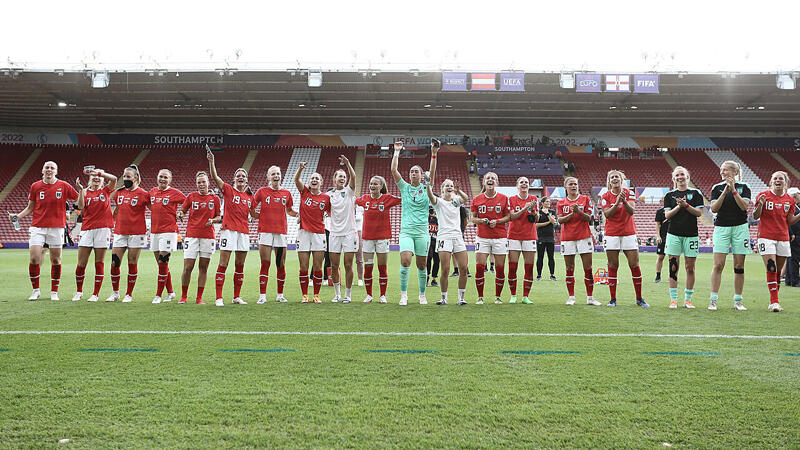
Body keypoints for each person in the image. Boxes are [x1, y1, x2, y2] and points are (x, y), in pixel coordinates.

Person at [8, 161, 79, 301]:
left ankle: (54, 292)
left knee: (56, 260)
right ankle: (36, 290)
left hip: (57, 227)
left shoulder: (64, 186)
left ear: (56, 171)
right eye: (47, 167)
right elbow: (30, 207)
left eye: (52, 168)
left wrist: (75, 205)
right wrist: (17, 216)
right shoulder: (36, 186)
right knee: (34, 258)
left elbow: (79, 201)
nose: (49, 170)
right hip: (38, 227)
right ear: (42, 170)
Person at [207, 148, 253, 306]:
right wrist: (212, 162)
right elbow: (215, 177)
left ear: (247, 180)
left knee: (240, 265)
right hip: (228, 231)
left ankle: (236, 297)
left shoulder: (250, 197)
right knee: (223, 264)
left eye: (243, 176)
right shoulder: (228, 190)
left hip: (244, 233)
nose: (241, 178)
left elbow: (255, 214)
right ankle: (219, 297)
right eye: (238, 176)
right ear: (234, 179)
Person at [391, 140, 432, 305]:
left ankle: (422, 295)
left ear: (422, 175)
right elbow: (394, 170)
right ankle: (404, 295)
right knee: (406, 260)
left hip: (422, 232)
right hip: (406, 231)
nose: (413, 174)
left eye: (416, 172)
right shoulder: (405, 188)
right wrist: (396, 151)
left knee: (422, 265)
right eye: (411, 172)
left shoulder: (427, 190)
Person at [753, 171, 799, 312]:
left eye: (781, 178)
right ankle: (775, 301)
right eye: (775, 178)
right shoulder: (763, 195)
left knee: (778, 271)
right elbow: (755, 216)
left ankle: (773, 300)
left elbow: (789, 221)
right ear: (771, 181)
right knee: (771, 267)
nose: (778, 180)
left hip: (783, 237)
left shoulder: (790, 200)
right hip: (766, 236)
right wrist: (760, 205)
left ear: (785, 182)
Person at [708, 161, 751, 311]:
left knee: (739, 266)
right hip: (722, 228)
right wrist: (724, 192)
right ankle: (713, 300)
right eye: (721, 170)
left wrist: (733, 190)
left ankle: (738, 301)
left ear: (734, 171)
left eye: (725, 170)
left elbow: (744, 206)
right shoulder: (717, 188)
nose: (722, 172)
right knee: (718, 264)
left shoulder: (744, 187)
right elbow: (714, 208)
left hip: (740, 228)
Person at [601, 170, 648, 307]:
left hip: (628, 233)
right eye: (612, 177)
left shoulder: (630, 193)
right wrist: (616, 203)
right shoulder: (605, 196)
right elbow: (607, 214)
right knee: (613, 265)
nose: (615, 179)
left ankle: (639, 298)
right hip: (611, 234)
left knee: (634, 265)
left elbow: (631, 211)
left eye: (617, 177)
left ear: (622, 180)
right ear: (609, 181)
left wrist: (624, 201)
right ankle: (613, 299)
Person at [251, 165, 296, 304]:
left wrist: (298, 215)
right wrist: (259, 216)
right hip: (265, 232)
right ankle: (262, 295)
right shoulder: (262, 191)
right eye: (273, 174)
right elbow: (251, 207)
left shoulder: (286, 193)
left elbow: (289, 210)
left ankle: (280, 295)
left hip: (281, 232)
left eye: (278, 173)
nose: (276, 176)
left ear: (281, 176)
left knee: (280, 264)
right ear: (268, 177)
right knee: (265, 263)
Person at [426, 163, 470, 305]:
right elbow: (430, 196)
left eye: (451, 185)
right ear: (442, 189)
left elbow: (466, 198)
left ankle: (461, 298)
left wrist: (459, 190)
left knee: (463, 268)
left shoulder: (457, 200)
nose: (450, 187)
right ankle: (444, 298)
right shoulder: (438, 202)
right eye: (447, 186)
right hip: (444, 237)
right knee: (445, 269)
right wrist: (427, 185)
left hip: (457, 237)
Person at [72, 167, 117, 302]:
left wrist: (98, 172)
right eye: (93, 177)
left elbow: (114, 179)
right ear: (89, 179)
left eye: (99, 177)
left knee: (99, 263)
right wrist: (80, 190)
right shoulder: (84, 192)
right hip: (87, 229)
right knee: (81, 263)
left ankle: (95, 294)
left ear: (103, 179)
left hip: (103, 229)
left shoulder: (105, 190)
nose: (96, 178)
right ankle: (79, 291)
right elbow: (80, 206)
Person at [663, 166, 704, 309]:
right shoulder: (669, 195)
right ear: (674, 179)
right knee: (673, 267)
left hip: (691, 235)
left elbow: (698, 213)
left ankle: (688, 299)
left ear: (687, 176)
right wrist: (679, 206)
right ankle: (673, 300)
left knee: (690, 267)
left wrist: (686, 205)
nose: (680, 177)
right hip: (673, 234)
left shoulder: (696, 193)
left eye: (682, 175)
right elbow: (667, 215)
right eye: (677, 175)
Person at [107, 165, 150, 302]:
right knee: (115, 263)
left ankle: (128, 294)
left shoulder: (143, 194)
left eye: (128, 177)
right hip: (120, 232)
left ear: (135, 178)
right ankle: (115, 293)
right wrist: (111, 222)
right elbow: (118, 210)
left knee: (132, 263)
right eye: (124, 176)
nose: (125, 179)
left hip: (137, 233)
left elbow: (154, 210)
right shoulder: (119, 193)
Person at [355, 175, 401, 303]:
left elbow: (403, 200)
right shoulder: (364, 199)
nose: (372, 186)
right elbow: (351, 200)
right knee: (368, 267)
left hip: (382, 238)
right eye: (371, 184)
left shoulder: (387, 199)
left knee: (382, 268)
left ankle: (382, 295)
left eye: (375, 184)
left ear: (381, 186)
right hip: (368, 239)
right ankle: (369, 295)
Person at [177, 171, 221, 304]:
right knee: (188, 267)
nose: (201, 184)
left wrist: (212, 221)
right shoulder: (191, 197)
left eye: (203, 182)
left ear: (208, 183)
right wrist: (180, 215)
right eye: (199, 182)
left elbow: (219, 217)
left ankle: (199, 298)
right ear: (196, 184)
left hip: (208, 236)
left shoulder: (215, 199)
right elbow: (182, 211)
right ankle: (184, 297)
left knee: (203, 267)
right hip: (192, 236)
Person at [557, 177, 599, 306]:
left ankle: (590, 297)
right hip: (567, 238)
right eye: (571, 184)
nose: (573, 186)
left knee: (588, 268)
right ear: (566, 187)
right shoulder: (561, 202)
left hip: (584, 236)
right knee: (569, 268)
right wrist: (572, 213)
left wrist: (578, 211)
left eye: (575, 184)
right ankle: (571, 297)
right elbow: (560, 220)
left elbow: (589, 218)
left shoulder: (585, 199)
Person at [471, 171, 512, 304]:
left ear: (497, 182)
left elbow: (508, 216)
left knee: (500, 268)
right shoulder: (477, 199)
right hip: (482, 237)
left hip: (500, 237)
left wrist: (498, 221)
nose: (490, 180)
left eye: (493, 178)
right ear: (484, 182)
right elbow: (473, 218)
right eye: (488, 178)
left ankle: (497, 297)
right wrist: (482, 221)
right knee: (479, 267)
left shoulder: (504, 198)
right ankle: (480, 297)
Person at [294, 161, 331, 303]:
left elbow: (332, 213)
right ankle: (304, 295)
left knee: (317, 266)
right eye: (312, 178)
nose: (314, 180)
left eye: (317, 178)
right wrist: (300, 169)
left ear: (321, 182)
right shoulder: (304, 192)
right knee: (303, 267)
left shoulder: (326, 198)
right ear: (309, 182)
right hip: (303, 233)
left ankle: (316, 295)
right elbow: (296, 180)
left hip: (319, 234)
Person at [148, 169, 186, 304]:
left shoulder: (175, 193)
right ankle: (170, 292)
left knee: (163, 262)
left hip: (169, 231)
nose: (163, 179)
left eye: (166, 177)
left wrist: (181, 213)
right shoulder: (152, 192)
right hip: (154, 231)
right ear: (157, 177)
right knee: (161, 265)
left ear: (170, 180)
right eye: (161, 176)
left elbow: (188, 202)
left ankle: (158, 295)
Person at [327, 155, 359, 304]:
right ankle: (337, 294)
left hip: (349, 233)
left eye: (343, 176)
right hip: (334, 234)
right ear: (334, 179)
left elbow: (354, 177)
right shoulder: (329, 195)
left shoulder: (349, 191)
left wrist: (347, 164)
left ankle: (348, 295)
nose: (342, 178)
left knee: (348, 265)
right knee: (334, 265)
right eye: (339, 176)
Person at [506, 177, 539, 304]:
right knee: (513, 267)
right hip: (514, 235)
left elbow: (536, 218)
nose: (524, 184)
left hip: (529, 236)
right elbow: (512, 217)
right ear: (517, 186)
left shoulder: (534, 199)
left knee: (529, 268)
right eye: (522, 182)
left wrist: (533, 212)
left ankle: (525, 296)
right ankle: (513, 295)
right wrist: (525, 208)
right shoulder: (512, 199)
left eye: (526, 182)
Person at [535, 197, 558, 281]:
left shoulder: (552, 212)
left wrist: (548, 214)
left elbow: (554, 222)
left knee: (551, 257)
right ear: (542, 203)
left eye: (549, 201)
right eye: (547, 201)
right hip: (540, 237)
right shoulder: (538, 212)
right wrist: (547, 223)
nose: (549, 203)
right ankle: (539, 275)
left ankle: (552, 275)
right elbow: (536, 225)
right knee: (540, 257)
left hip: (550, 238)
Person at [786, 187, 800, 287]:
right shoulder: (793, 207)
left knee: (791, 259)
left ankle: (789, 279)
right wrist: (791, 234)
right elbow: (788, 222)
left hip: (793, 235)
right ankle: (794, 280)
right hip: (795, 235)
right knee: (794, 258)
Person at [654, 204, 669, 283]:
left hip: (673, 236)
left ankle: (672, 276)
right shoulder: (660, 211)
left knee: (673, 258)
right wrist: (658, 236)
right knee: (660, 257)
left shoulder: (676, 210)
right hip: (663, 237)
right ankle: (658, 276)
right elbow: (657, 224)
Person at [426, 207, 440, 287]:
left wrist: (436, 216)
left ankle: (434, 279)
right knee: (428, 258)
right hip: (428, 240)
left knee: (437, 260)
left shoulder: (438, 218)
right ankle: (427, 277)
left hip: (437, 241)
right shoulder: (425, 218)